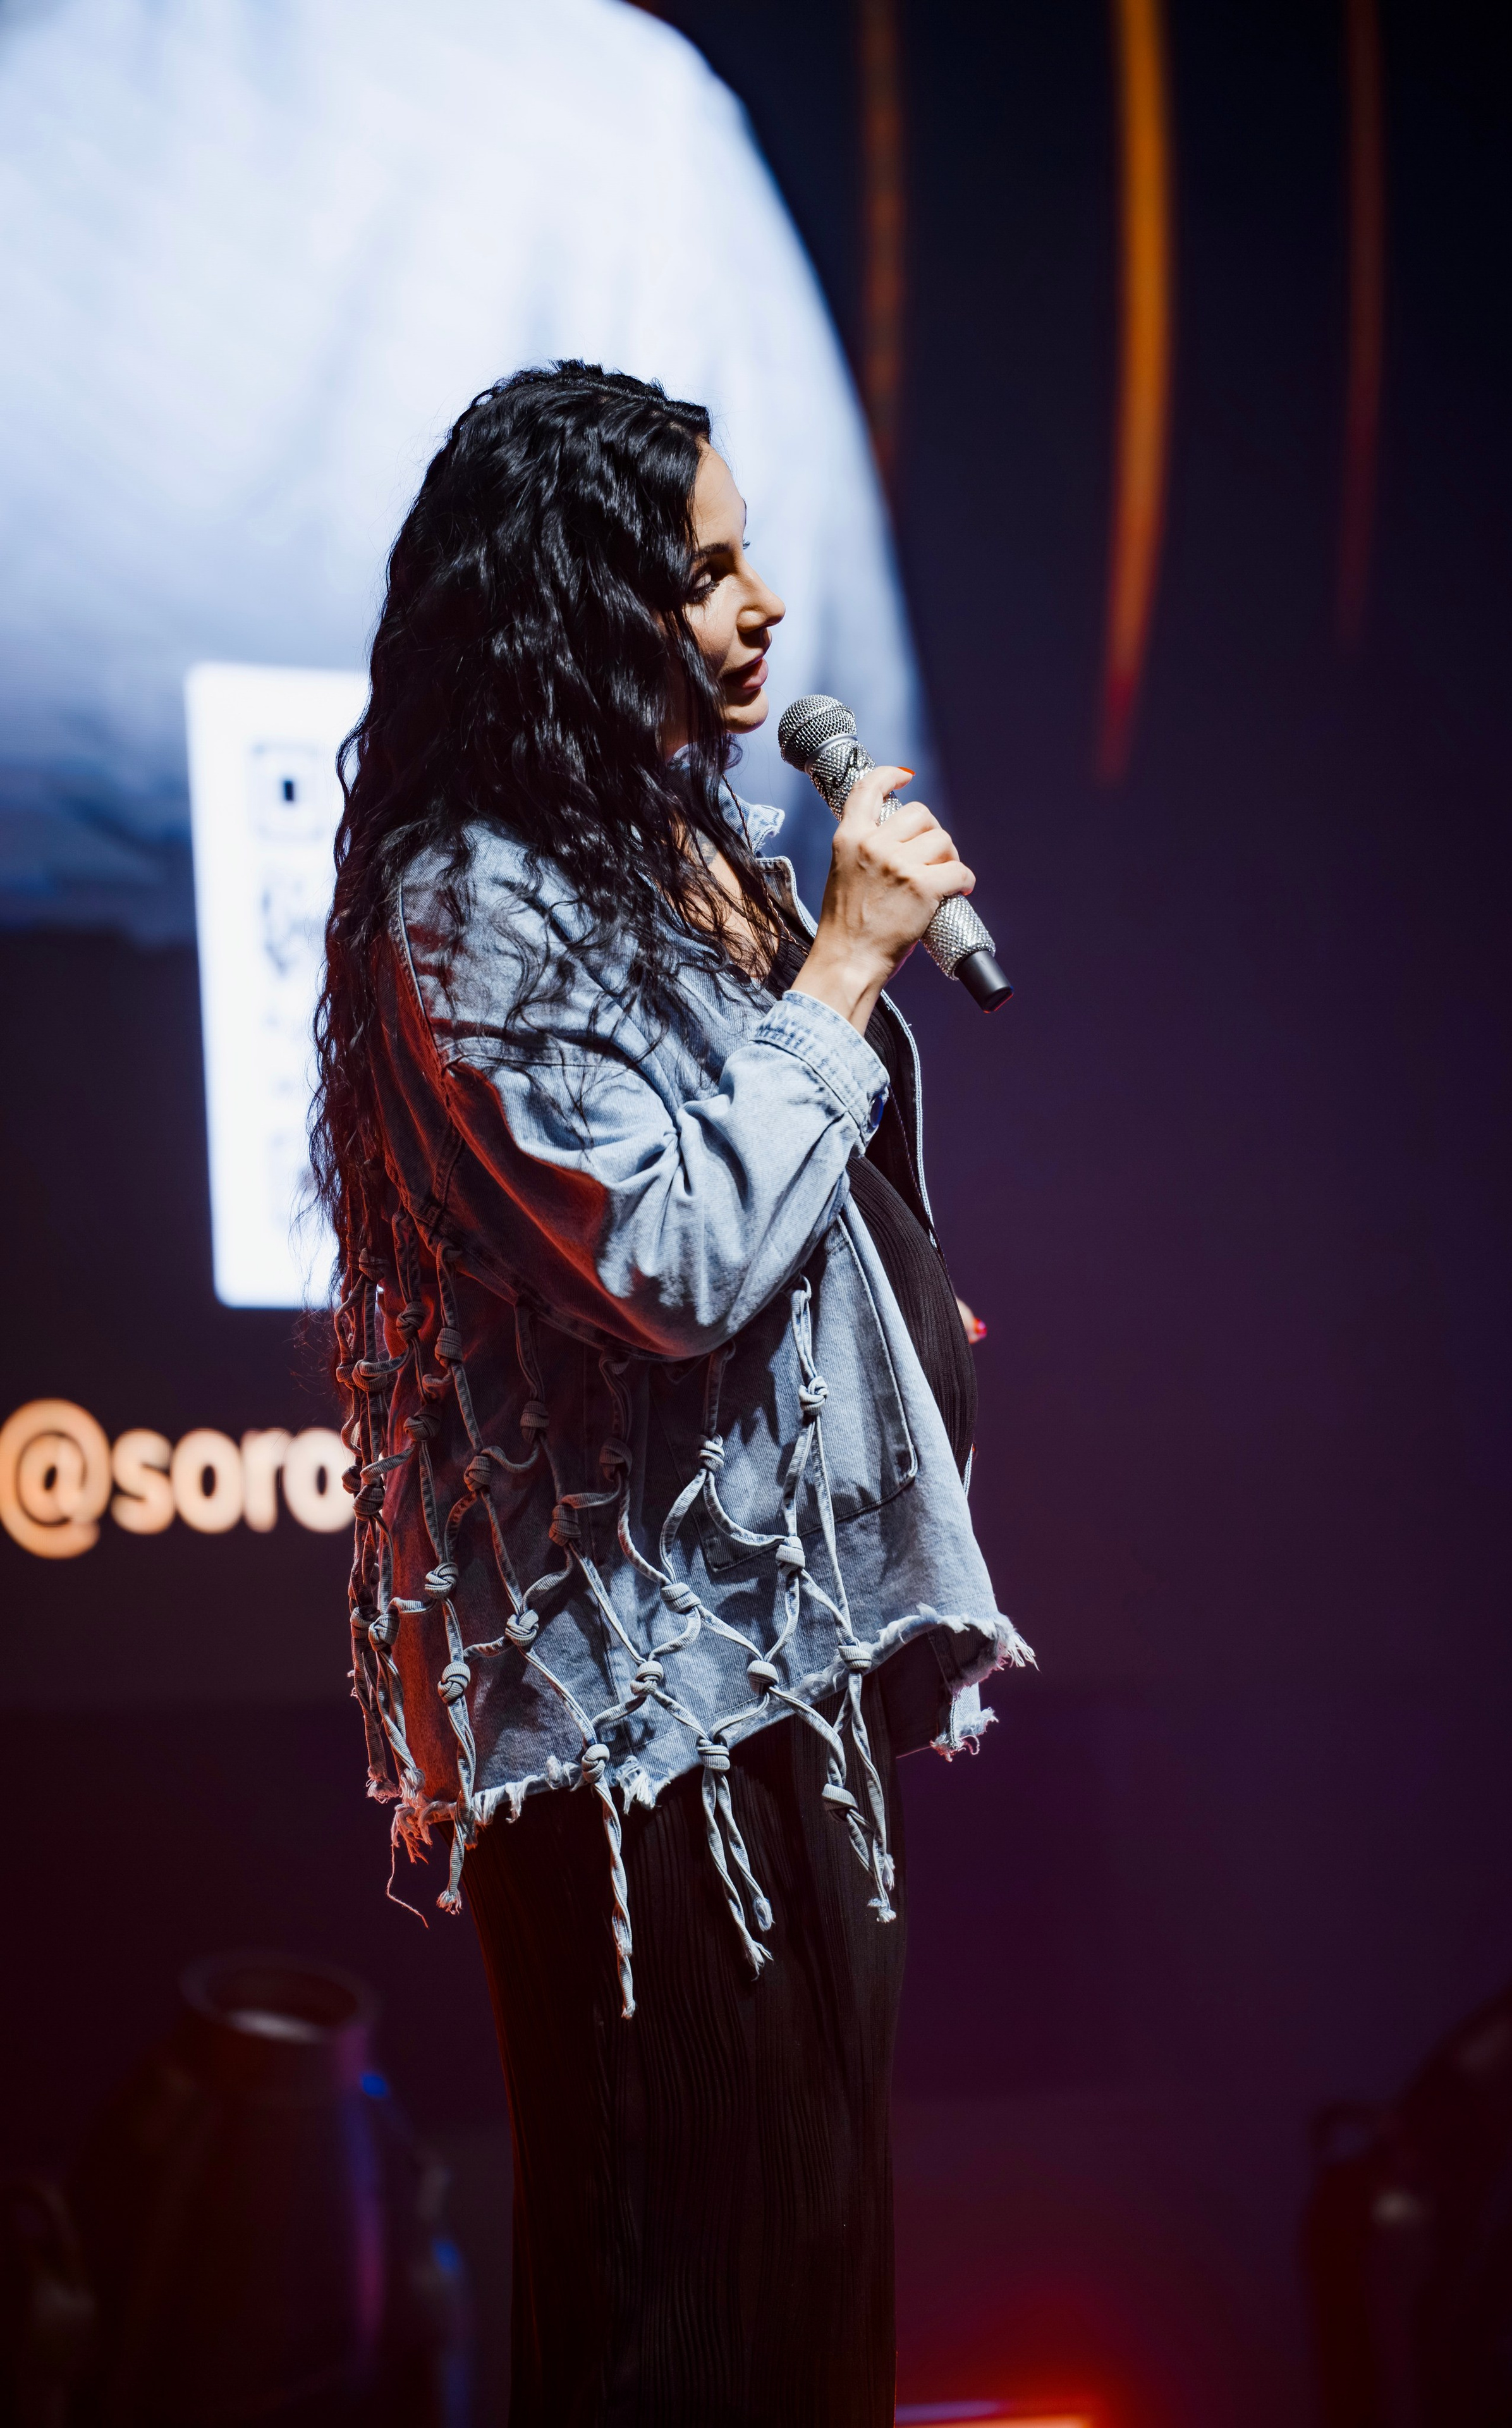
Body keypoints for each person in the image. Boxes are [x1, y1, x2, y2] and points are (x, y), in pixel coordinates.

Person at [313, 362, 1027, 2427]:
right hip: (634, 1741)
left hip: (780, 1686)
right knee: (679, 2323)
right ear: (571, 600)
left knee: (810, 2303)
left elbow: (793, 1212)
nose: (762, 608)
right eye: (701, 569)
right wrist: (839, 971)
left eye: (748, 559)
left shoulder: (669, 862)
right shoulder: (472, 900)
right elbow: (667, 1260)